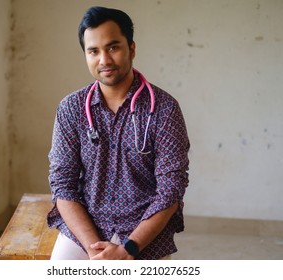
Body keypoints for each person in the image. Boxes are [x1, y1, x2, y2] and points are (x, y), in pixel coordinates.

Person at [47, 6, 190, 260]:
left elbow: (171, 188)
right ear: (86, 55)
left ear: (131, 48)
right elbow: (62, 184)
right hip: (85, 231)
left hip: (143, 235)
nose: (104, 60)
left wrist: (127, 250)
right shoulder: (70, 108)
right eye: (94, 51)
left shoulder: (164, 109)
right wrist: (95, 250)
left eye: (113, 47)